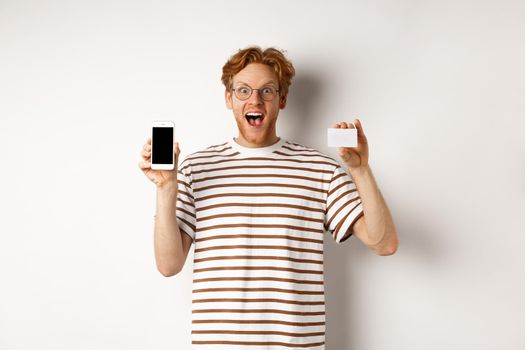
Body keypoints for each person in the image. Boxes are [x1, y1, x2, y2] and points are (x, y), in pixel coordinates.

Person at [139, 46, 398, 349]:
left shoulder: (320, 170)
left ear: (282, 99)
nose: (255, 100)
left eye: (267, 91)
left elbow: (384, 243)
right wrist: (166, 187)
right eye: (243, 90)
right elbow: (168, 265)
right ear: (229, 98)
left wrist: (360, 170)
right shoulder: (197, 169)